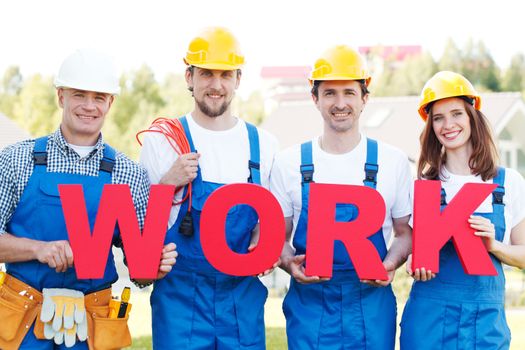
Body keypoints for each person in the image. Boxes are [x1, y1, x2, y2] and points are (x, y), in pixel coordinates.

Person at [0, 48, 176, 350]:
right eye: (79, 94)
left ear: (110, 103)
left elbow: (140, 275)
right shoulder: (17, 160)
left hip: (92, 328)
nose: (89, 106)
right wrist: (38, 249)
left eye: (99, 97)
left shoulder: (129, 174)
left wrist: (153, 268)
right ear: (61, 96)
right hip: (21, 325)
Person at [139, 27, 279, 349]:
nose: (216, 85)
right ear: (189, 77)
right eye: (206, 74)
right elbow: (143, 231)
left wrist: (263, 239)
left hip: (241, 299)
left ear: (238, 80)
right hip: (180, 299)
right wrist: (167, 184)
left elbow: (271, 222)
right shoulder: (162, 140)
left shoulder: (264, 145)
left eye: (225, 75)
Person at [269, 45, 412, 349]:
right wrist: (288, 265)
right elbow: (276, 239)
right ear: (315, 99)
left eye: (349, 92)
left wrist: (389, 264)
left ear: (364, 99)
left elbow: (404, 234)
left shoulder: (393, 161)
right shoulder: (288, 162)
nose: (340, 103)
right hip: (310, 306)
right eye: (330, 93)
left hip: (371, 306)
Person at [400, 71, 525, 349]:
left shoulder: (508, 183)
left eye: (456, 113)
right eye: (438, 117)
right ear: (430, 125)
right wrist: (412, 259)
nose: (448, 124)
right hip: (428, 320)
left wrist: (494, 246)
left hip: (485, 321)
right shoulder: (420, 186)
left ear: (472, 116)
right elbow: (407, 242)